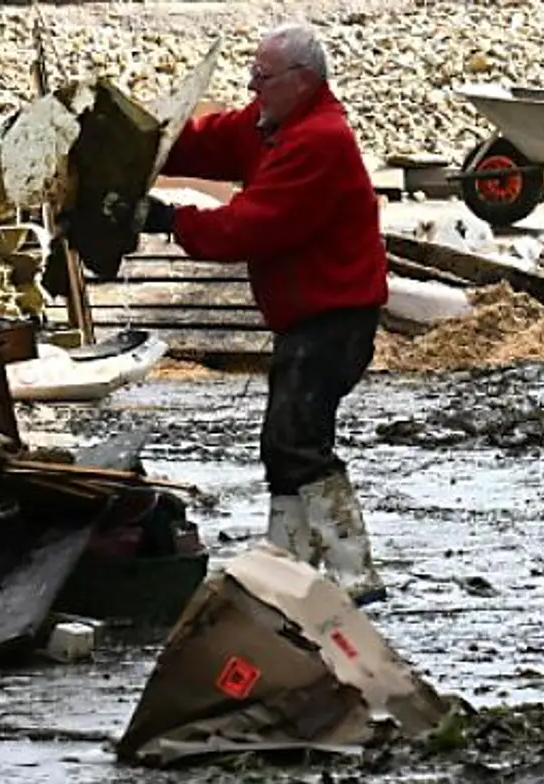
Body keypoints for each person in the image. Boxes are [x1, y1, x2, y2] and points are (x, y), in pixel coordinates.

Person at [140, 23, 389, 603]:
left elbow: (253, 224)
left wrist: (170, 221)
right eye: (252, 75)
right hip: (311, 314)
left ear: (301, 82)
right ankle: (288, 566)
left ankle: (354, 572)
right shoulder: (272, 124)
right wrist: (146, 140)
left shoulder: (318, 140)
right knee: (285, 444)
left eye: (263, 77)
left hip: (335, 317)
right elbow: (205, 141)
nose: (252, 87)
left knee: (297, 442)